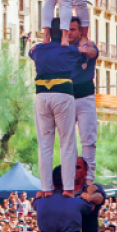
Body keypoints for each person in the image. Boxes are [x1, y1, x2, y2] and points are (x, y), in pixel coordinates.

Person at [30, 18, 83, 195]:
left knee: (45, 144)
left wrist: (44, 39)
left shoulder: (37, 50)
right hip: (62, 94)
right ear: (64, 33)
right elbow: (82, 54)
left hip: (41, 95)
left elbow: (32, 52)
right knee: (67, 143)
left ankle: (46, 188)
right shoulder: (69, 50)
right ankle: (68, 188)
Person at [69, 19, 99, 181]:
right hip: (66, 97)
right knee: (68, 140)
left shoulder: (89, 46)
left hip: (85, 96)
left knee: (88, 140)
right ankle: (70, 176)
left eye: (73, 29)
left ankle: (88, 178)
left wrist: (82, 46)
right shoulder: (63, 48)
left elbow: (93, 52)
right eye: (67, 29)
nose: (69, 32)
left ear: (80, 31)